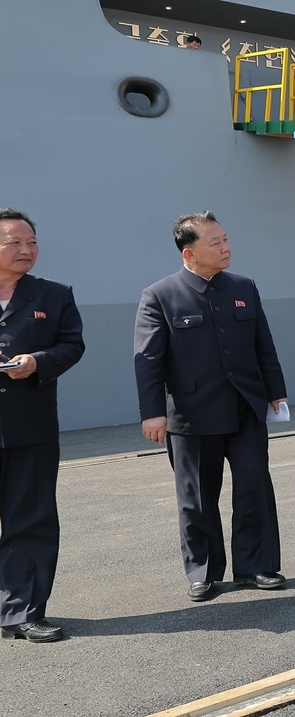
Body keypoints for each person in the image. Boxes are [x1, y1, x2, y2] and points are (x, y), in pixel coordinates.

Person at [134, 212, 287, 602]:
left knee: (254, 486)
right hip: (191, 414)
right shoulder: (160, 295)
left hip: (245, 407)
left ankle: (257, 566)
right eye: (215, 242)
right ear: (190, 253)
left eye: (226, 239)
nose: (226, 247)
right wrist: (154, 413)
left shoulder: (243, 286)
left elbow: (263, 344)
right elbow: (148, 360)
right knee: (198, 497)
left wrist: (275, 392)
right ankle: (203, 570)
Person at [0, 209, 84, 643]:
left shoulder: (54, 295)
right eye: (14, 242)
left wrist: (38, 363)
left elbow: (72, 345)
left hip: (28, 427)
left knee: (29, 519)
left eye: (31, 242)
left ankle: (23, 612)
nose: (26, 250)